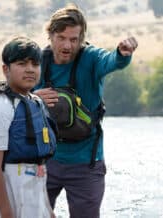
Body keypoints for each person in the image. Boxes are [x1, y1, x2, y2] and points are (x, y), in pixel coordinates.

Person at [34, 4, 138, 218]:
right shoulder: (36, 61)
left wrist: (122, 54)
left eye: (74, 39)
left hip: (86, 163)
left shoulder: (91, 58)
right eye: (61, 38)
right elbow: (15, 95)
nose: (67, 45)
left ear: (81, 39)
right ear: (50, 35)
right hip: (44, 161)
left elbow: (111, 61)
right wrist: (33, 98)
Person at [0, 36, 57, 218]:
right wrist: (6, 213)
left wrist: (49, 212)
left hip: (34, 188)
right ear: (6, 69)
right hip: (8, 191)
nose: (29, 70)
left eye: (35, 64)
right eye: (21, 63)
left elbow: (39, 166)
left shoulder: (36, 103)